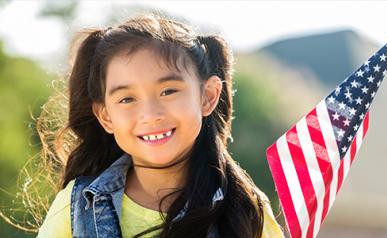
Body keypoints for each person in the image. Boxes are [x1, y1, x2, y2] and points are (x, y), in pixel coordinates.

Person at [35, 14, 284, 238]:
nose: (150, 115)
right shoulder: (77, 206)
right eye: (127, 99)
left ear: (207, 96)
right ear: (106, 116)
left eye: (168, 91)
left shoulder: (245, 209)